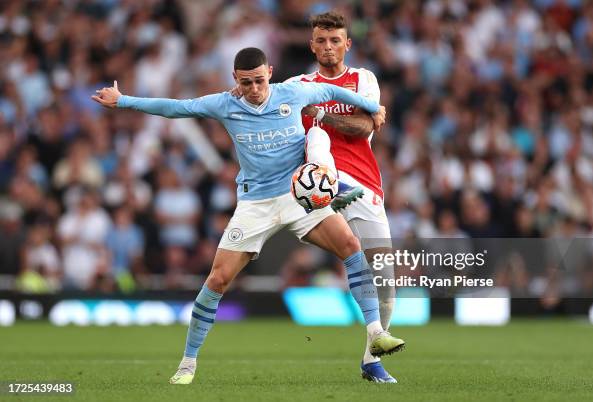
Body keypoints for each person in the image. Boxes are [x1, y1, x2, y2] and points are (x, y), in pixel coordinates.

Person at [91, 47, 404, 385]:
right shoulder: (226, 104)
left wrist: (374, 108)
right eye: (246, 83)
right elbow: (175, 108)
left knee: (350, 243)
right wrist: (123, 101)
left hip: (297, 195)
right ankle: (187, 363)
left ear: (270, 72)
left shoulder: (293, 92)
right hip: (255, 204)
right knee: (217, 280)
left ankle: (375, 332)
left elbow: (331, 90)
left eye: (259, 80)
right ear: (235, 80)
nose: (254, 89)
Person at [287, 12, 398, 383]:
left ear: (347, 44)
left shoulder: (363, 79)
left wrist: (320, 115)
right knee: (350, 256)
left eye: (336, 40)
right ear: (312, 44)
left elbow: (364, 125)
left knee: (386, 283)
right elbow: (263, 101)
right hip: (320, 186)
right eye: (321, 40)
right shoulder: (298, 84)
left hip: (365, 185)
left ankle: (371, 362)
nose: (328, 47)